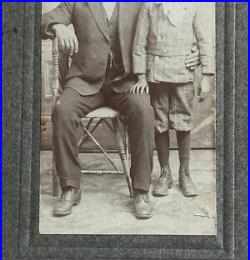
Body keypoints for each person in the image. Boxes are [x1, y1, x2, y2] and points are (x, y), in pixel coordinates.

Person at [42, 2, 200, 219]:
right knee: (62, 110)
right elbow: (44, 20)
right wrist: (58, 27)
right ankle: (70, 188)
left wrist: (195, 50)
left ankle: (141, 192)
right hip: (85, 82)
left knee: (145, 111)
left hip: (127, 82)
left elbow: (169, 23)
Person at [131, 2, 215, 198]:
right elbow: (139, 44)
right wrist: (141, 76)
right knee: (159, 123)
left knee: (183, 122)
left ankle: (185, 173)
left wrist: (207, 76)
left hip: (183, 72)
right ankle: (165, 172)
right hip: (156, 74)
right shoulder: (150, 7)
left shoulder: (193, 6)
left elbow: (204, 41)